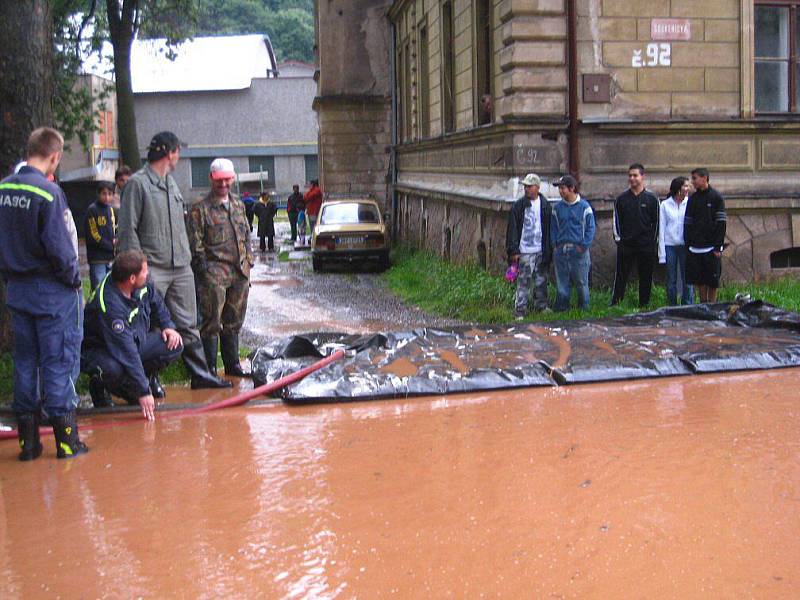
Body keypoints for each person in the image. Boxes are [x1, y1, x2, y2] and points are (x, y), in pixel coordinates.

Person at [0, 127, 88, 460]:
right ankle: (67, 443)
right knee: (58, 362)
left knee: (25, 363)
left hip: (17, 291)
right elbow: (62, 250)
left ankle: (29, 445)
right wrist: (73, 281)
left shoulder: (3, 188)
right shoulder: (49, 194)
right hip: (52, 292)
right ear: (54, 156)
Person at [117, 131, 231, 389]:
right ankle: (149, 379)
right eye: (178, 151)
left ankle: (200, 375)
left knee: (189, 323)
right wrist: (137, 270)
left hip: (180, 266)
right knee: (151, 324)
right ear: (170, 152)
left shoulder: (171, 183)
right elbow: (127, 230)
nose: (179, 156)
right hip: (153, 267)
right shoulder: (138, 184)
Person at [82, 250, 182, 419]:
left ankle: (145, 380)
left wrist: (167, 325)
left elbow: (156, 301)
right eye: (144, 271)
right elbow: (127, 352)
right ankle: (100, 385)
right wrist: (142, 392)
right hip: (102, 350)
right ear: (132, 279)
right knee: (114, 369)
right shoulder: (110, 305)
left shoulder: (140, 284)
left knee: (174, 344)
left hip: (133, 339)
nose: (148, 273)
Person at [186, 158, 254, 377]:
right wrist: (204, 271)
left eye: (227, 180)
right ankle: (209, 369)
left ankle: (232, 365)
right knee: (211, 321)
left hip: (239, 272)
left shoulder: (238, 204)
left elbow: (246, 235)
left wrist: (249, 259)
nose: (223, 185)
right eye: (218, 181)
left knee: (234, 320)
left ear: (232, 179)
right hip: (214, 274)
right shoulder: (200, 209)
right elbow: (195, 243)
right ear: (211, 179)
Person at [610, 163, 660, 308]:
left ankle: (644, 304)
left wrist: (653, 242)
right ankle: (616, 303)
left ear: (642, 177)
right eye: (630, 175)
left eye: (635, 175)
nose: (632, 178)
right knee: (620, 276)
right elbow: (616, 221)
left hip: (646, 245)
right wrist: (619, 240)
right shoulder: (621, 199)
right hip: (626, 245)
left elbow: (657, 222)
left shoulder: (652, 198)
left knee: (645, 276)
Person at [505, 173, 552, 319]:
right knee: (523, 281)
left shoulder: (545, 205)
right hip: (524, 250)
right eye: (525, 186)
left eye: (529, 186)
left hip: (540, 249)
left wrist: (548, 249)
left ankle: (541, 305)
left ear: (537, 187)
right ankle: (520, 309)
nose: (526, 189)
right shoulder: (518, 206)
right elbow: (512, 229)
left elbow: (549, 228)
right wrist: (514, 250)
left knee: (541, 280)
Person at [550, 175, 596, 311]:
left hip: (579, 251)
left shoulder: (584, 207)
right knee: (562, 282)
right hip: (561, 250)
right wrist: (555, 245)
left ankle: (584, 309)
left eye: (563, 188)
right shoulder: (557, 208)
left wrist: (583, 246)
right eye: (559, 188)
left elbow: (590, 228)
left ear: (572, 188)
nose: (560, 191)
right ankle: (562, 308)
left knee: (582, 283)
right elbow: (553, 228)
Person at [684, 168, 727, 303]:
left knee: (712, 280)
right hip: (695, 247)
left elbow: (721, 223)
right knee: (700, 280)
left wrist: (718, 246)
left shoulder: (716, 198)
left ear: (704, 178)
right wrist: (688, 243)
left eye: (695, 178)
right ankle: (703, 305)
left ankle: (712, 306)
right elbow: (687, 223)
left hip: (711, 248)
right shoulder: (693, 199)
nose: (693, 182)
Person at [658, 176, 693, 306]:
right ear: (678, 189)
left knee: (687, 278)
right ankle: (672, 305)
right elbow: (661, 228)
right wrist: (662, 253)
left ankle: (688, 305)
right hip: (670, 245)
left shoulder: (690, 203)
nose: (687, 188)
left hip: (685, 245)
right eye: (685, 186)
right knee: (671, 279)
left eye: (688, 186)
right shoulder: (665, 205)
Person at [84, 180, 117, 291]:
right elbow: (94, 235)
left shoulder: (110, 210)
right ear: (98, 194)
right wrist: (109, 245)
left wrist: (115, 241)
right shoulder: (92, 210)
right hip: (97, 258)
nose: (107, 197)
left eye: (110, 194)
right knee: (98, 288)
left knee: (110, 288)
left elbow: (113, 229)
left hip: (110, 257)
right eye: (104, 194)